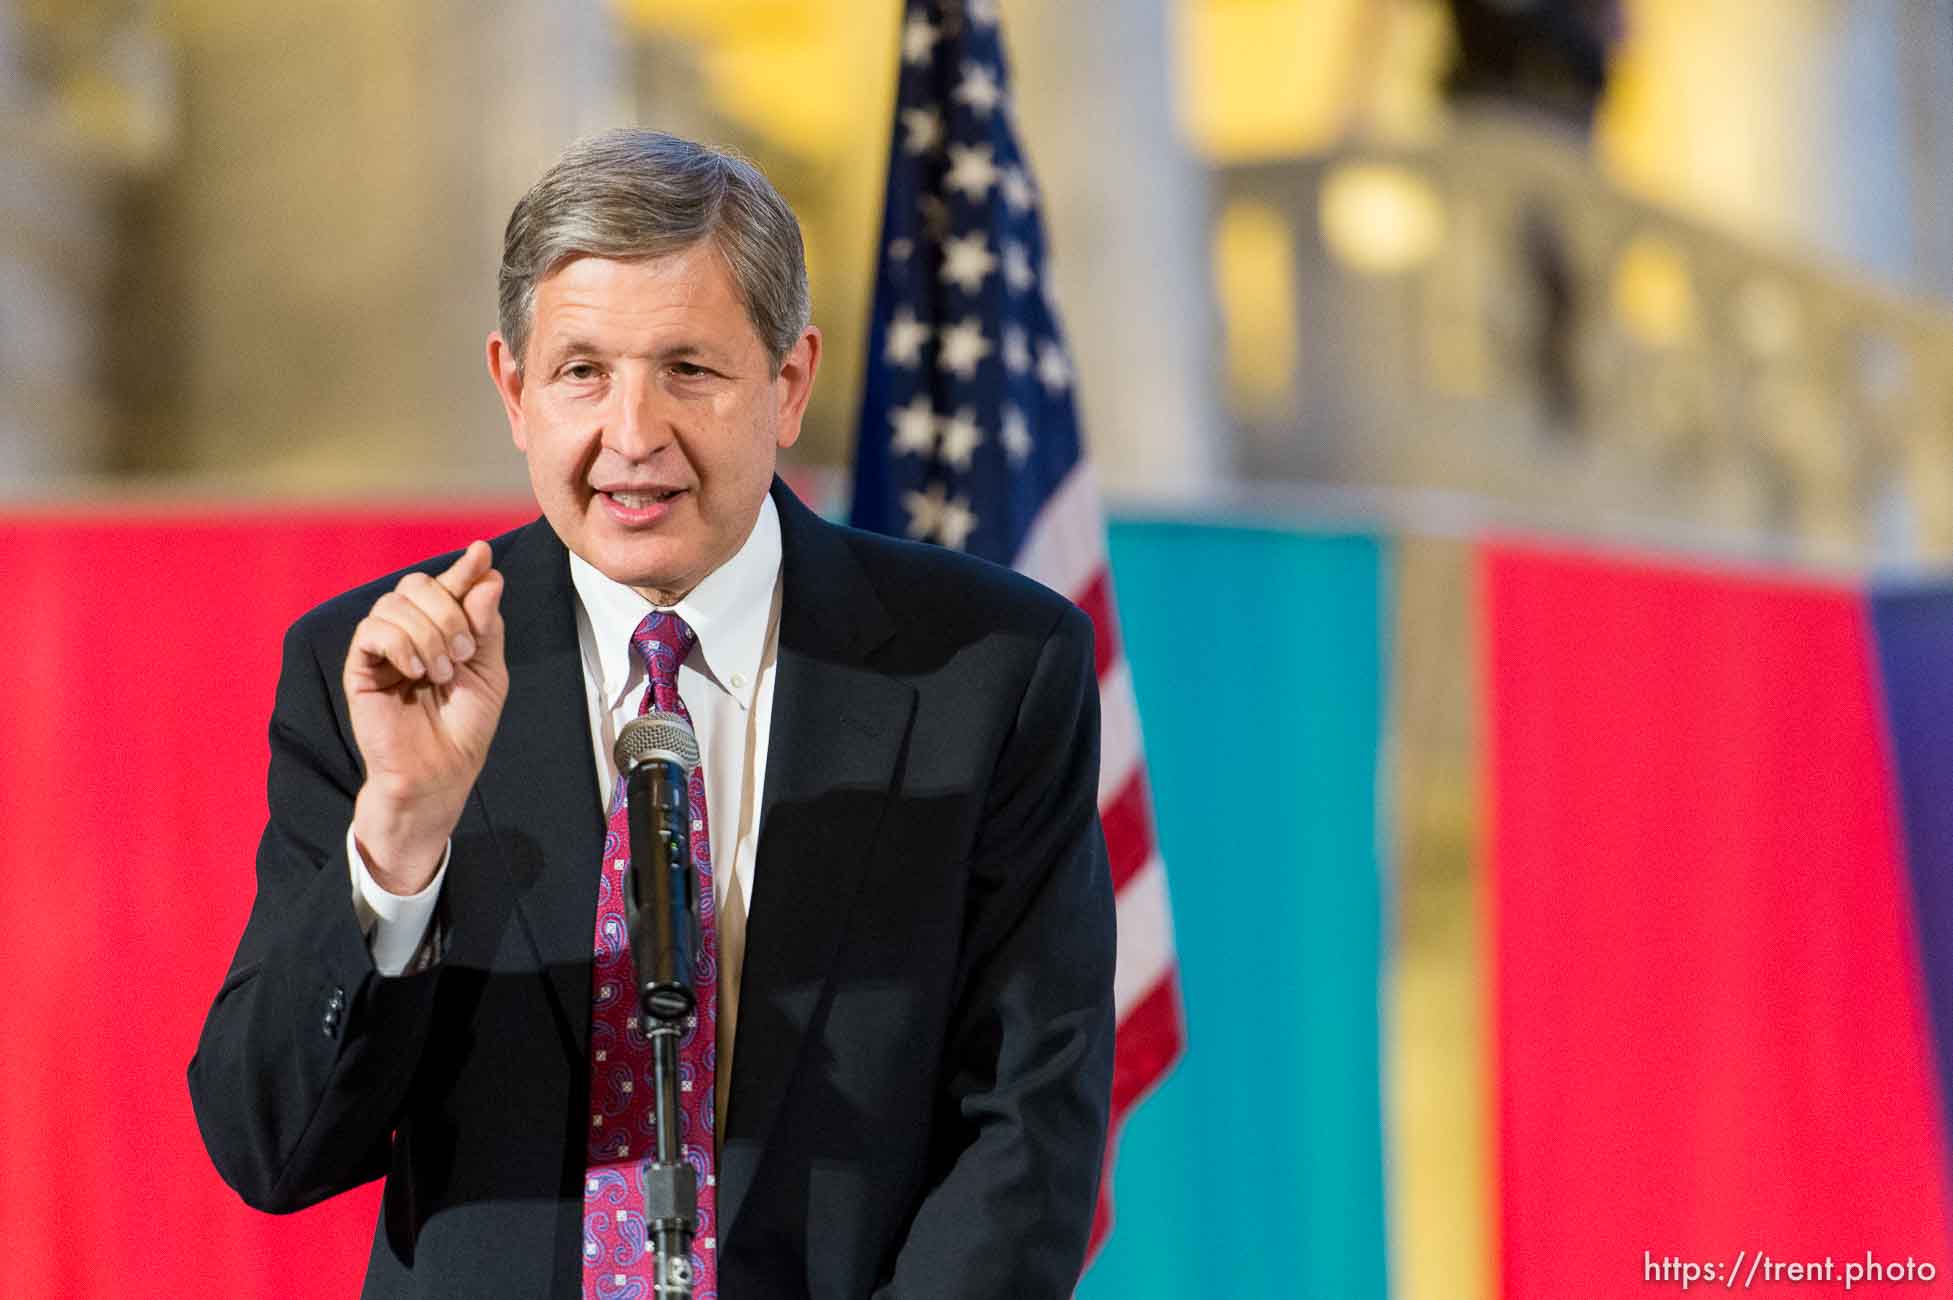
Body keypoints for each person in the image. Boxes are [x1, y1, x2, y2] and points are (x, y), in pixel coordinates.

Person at [188, 129, 1115, 1299]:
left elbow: (1029, 1122)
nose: (633, 437)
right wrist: (401, 838)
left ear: (787, 383)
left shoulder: (989, 668)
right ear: (514, 390)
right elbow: (270, 1146)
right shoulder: (367, 668)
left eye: (688, 369)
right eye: (582, 372)